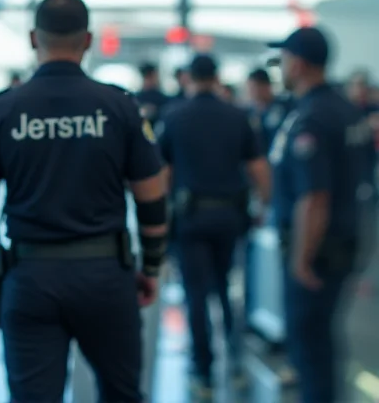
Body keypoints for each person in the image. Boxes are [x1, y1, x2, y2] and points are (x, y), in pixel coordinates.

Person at [0, 0, 168, 402]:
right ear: (88, 40)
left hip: (30, 278)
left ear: (32, 38)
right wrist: (151, 264)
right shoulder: (119, 107)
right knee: (121, 394)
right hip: (105, 277)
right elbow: (152, 197)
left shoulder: (2, 110)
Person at [267, 27, 372, 403]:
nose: (280, 67)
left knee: (310, 345)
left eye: (284, 59)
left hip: (318, 252)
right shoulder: (344, 109)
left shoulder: (312, 117)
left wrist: (301, 260)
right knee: (321, 342)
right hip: (342, 244)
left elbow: (314, 198)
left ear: (300, 63)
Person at [158, 54, 270, 398]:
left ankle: (203, 371)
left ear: (189, 78)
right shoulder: (238, 116)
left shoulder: (175, 117)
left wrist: (159, 222)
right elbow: (259, 169)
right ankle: (235, 363)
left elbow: (163, 175)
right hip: (229, 218)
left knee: (195, 295)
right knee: (227, 291)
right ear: (217, 76)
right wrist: (263, 207)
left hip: (190, 218)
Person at [246, 68, 294, 155]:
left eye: (253, 88)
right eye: (249, 88)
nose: (250, 92)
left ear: (266, 86)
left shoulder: (284, 106)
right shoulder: (249, 112)